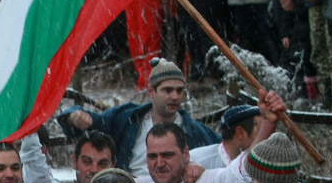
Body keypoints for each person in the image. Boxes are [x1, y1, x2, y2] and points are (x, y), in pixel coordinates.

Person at [60, 58, 219, 176]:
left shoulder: (195, 131)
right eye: (168, 90)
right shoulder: (128, 118)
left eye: (179, 91)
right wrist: (74, 117)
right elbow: (89, 125)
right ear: (151, 91)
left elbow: (225, 152)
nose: (175, 96)